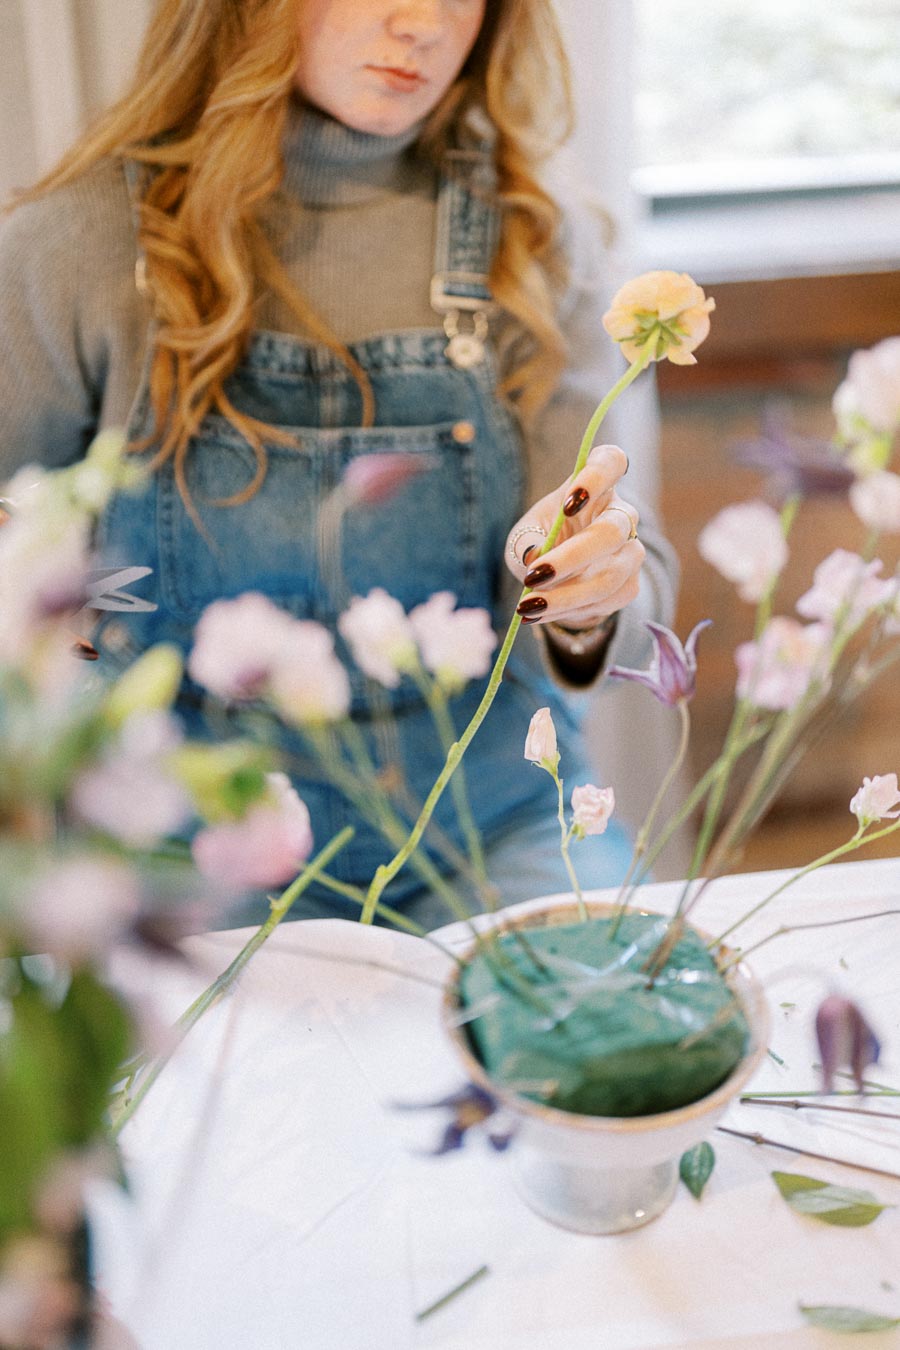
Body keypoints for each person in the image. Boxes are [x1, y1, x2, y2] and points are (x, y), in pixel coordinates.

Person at [0, 0, 678, 929]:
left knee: (614, 1046)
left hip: (499, 831)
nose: (424, 25)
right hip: (181, 857)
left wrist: (587, 598)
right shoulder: (76, 246)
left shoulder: (536, 241)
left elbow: (635, 621)